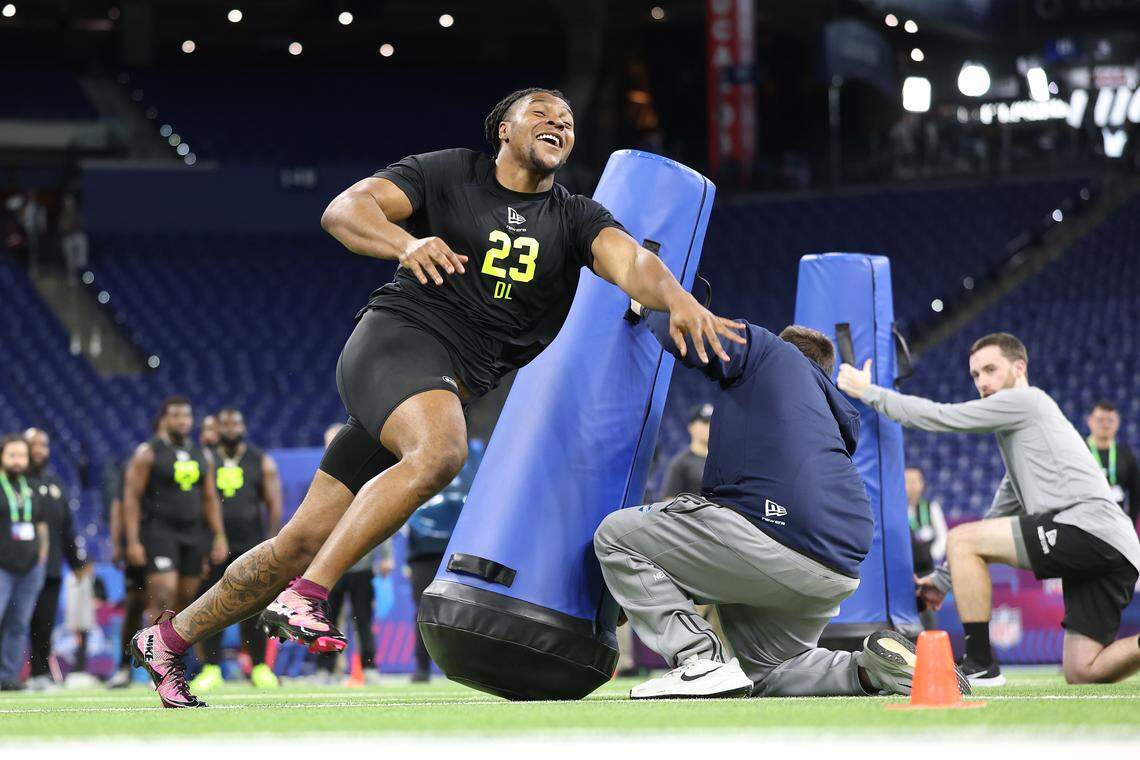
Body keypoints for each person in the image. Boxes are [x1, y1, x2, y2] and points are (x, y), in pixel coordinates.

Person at [127, 87, 743, 708]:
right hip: (397, 345)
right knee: (442, 451)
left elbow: (634, 262)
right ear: (503, 128)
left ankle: (171, 639)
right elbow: (345, 209)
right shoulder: (450, 172)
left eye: (569, 121)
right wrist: (405, 243)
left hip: (437, 384)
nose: (559, 123)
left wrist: (682, 300)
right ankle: (309, 595)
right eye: (543, 114)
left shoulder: (575, 217)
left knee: (298, 541)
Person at [593, 303, 956, 699]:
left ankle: (697, 658)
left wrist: (649, 304)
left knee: (616, 535)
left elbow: (697, 332)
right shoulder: (832, 416)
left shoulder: (769, 352)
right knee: (765, 672)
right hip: (839, 566)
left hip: (771, 531)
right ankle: (867, 672)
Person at [838, 333, 1140, 687]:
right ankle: (982, 662)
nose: (982, 382)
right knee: (1083, 670)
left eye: (990, 370)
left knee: (963, 539)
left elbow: (941, 417)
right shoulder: (1027, 438)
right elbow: (999, 511)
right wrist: (942, 580)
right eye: (976, 375)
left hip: (1091, 530)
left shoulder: (1026, 401)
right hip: (1116, 549)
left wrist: (867, 392)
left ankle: (981, 663)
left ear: (1019, 367)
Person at [190, 408, 283, 692]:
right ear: (218, 428)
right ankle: (211, 668)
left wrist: (271, 542)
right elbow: (197, 502)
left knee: (252, 605)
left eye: (236, 423)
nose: (231, 428)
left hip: (250, 544)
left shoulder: (260, 460)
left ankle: (258, 667)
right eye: (225, 424)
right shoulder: (207, 460)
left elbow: (273, 504)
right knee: (211, 605)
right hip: (214, 545)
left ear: (243, 427)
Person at [122, 398, 226, 648]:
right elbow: (131, 498)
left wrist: (219, 536)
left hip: (193, 534)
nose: (182, 421)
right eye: (176, 416)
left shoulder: (202, 454)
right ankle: (155, 658)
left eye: (186, 416)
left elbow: (210, 499)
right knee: (162, 594)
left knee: (185, 599)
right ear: (165, 420)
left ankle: (173, 657)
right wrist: (133, 540)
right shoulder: (149, 453)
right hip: (159, 531)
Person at [405, 438, 482, 682]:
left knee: (466, 608)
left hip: (455, 546)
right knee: (423, 609)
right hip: (424, 550)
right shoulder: (415, 456)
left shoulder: (471, 459)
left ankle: (469, 667)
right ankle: (422, 668)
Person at [24, 428, 89, 691]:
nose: (40, 450)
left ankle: (40, 674)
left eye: (44, 445)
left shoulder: (54, 483)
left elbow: (67, 527)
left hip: (50, 568)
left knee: (44, 623)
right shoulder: (13, 482)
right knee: (12, 622)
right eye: (34, 445)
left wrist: (76, 563)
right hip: (17, 567)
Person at [0, 435, 49, 691]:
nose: (18, 461)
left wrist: (42, 554)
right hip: (2, 566)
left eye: (22, 456)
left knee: (18, 624)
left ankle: (7, 677)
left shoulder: (30, 486)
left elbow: (40, 523)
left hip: (30, 568)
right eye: (12, 455)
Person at [311, 543, 392, 685]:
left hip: (362, 567)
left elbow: (379, 523)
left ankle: (369, 668)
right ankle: (324, 669)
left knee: (364, 620)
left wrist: (386, 556)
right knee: (328, 621)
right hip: (333, 568)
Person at [106, 450, 146, 688]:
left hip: (163, 543)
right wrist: (118, 544)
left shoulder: (165, 472)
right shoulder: (130, 472)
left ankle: (161, 667)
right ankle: (123, 666)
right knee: (134, 606)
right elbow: (118, 508)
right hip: (136, 546)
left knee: (164, 606)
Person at [905, 466, 948, 631]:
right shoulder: (894, 510)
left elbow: (943, 535)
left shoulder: (931, 507)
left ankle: (930, 652)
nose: (911, 485)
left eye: (914, 481)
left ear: (922, 484)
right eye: (906, 481)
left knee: (928, 615)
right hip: (904, 571)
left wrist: (932, 554)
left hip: (926, 571)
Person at [1086, 400, 1140, 524]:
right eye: (1100, 420)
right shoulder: (1079, 452)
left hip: (1117, 522)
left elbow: (1136, 495)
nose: (1105, 425)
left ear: (1118, 423)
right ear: (1090, 421)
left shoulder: (1126, 456)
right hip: (1086, 523)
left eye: (1110, 420)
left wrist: (1129, 523)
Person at [660, 403, 712, 498]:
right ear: (691, 427)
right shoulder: (680, 463)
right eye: (704, 423)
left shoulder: (719, 462)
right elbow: (668, 501)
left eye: (712, 423)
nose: (709, 427)